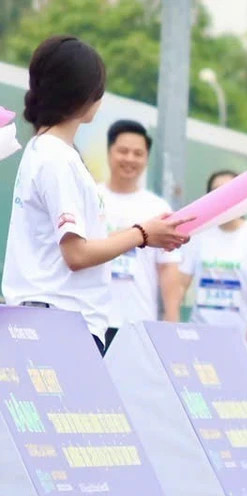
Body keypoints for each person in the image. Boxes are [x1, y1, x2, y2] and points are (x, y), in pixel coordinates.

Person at [1, 35, 188, 354]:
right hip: (60, 325)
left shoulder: (46, 150)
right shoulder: (56, 158)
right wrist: (142, 234)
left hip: (53, 321)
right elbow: (77, 254)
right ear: (86, 95)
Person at [99, 120, 183, 340]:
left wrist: (171, 318)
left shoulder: (157, 208)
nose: (129, 159)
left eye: (138, 153)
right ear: (109, 152)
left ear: (146, 159)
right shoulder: (91, 198)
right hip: (92, 319)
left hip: (138, 324)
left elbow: (168, 269)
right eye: (123, 151)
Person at [173, 170, 247, 340]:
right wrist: (172, 318)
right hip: (200, 333)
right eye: (216, 192)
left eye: (230, 190)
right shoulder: (198, 234)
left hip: (240, 335)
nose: (223, 197)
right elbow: (181, 283)